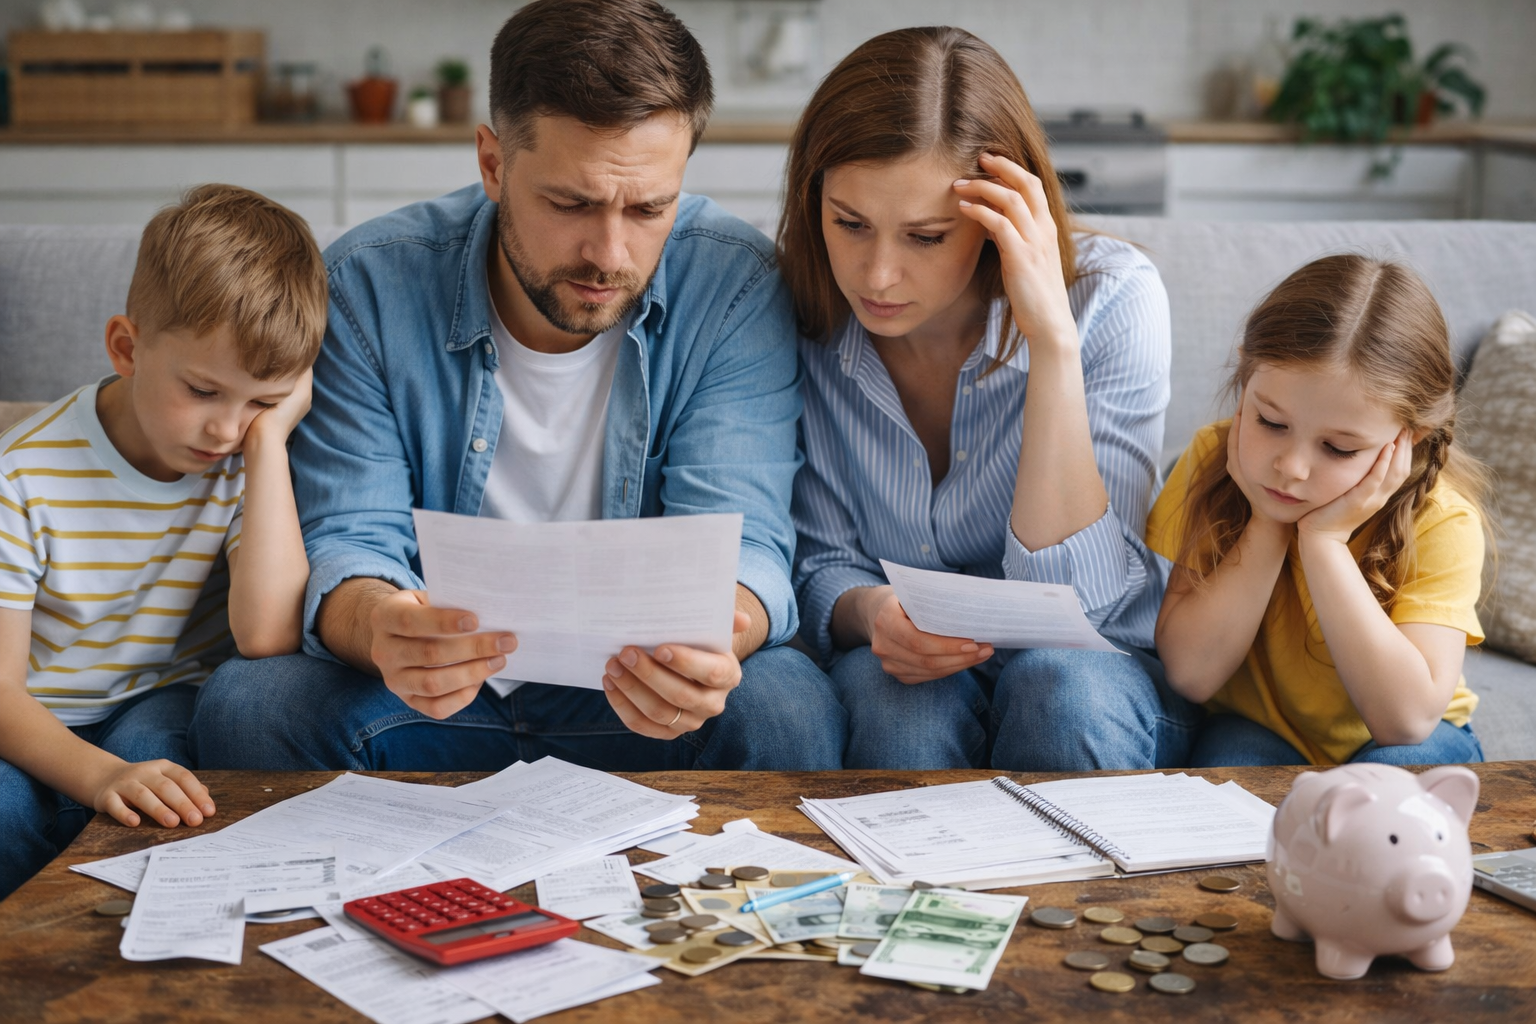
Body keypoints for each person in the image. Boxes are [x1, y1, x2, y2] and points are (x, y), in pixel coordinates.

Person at [189, 0, 845, 773]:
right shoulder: (367, 285)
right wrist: (384, 628)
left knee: (788, 704)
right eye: (570, 203)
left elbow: (746, 543)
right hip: (429, 692)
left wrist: (715, 636)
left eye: (649, 208)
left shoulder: (734, 285)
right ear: (493, 164)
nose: (609, 252)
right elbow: (350, 540)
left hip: (631, 694)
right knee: (248, 705)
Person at [783, 26, 1197, 771]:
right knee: (891, 704)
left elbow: (1082, 601)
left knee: (1058, 691)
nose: (876, 275)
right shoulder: (802, 310)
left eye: (926, 236)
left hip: (1090, 659)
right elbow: (822, 560)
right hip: (908, 664)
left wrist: (1051, 343)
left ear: (999, 216)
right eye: (850, 224)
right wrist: (871, 612)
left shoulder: (1112, 299)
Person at [0, 184, 322, 899]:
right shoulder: (23, 474)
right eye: (203, 391)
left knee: (167, 788)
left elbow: (267, 636)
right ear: (126, 347)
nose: (224, 429)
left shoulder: (246, 463)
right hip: (33, 716)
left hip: (161, 701)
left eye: (261, 402)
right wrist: (98, 775)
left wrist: (271, 445)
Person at [1149, 255, 1490, 767]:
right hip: (1255, 728)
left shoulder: (1444, 520)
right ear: (1245, 378)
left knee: (1395, 778)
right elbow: (1191, 675)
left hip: (1410, 737)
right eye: (1270, 421)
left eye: (1338, 448)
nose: (1291, 467)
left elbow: (1405, 722)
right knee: (1230, 768)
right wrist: (1266, 519)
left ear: (1408, 440)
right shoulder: (1212, 460)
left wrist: (1325, 542)